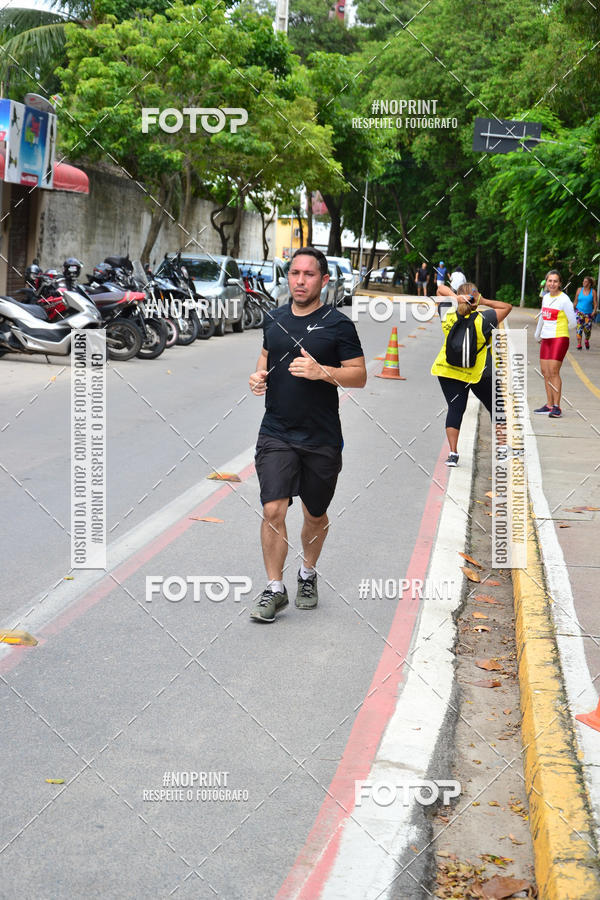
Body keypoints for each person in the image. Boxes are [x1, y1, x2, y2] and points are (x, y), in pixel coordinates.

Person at [248, 247, 366, 622]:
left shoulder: (338, 325)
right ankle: (274, 588)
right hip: (276, 431)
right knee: (273, 509)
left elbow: (359, 375)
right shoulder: (275, 317)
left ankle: (307, 574)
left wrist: (322, 372)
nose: (300, 280)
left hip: (321, 437)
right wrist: (257, 376)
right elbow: (266, 356)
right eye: (294, 273)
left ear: (324, 280)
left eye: (308, 274)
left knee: (315, 514)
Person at [432, 283, 512, 466]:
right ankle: (501, 449)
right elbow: (507, 307)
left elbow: (439, 289)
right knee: (496, 405)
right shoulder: (486, 318)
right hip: (479, 373)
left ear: (459, 297)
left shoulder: (447, 314)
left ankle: (453, 454)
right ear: (475, 299)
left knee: (455, 409)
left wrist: (454, 297)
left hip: (448, 371)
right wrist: (483, 300)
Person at [534, 269, 576, 418]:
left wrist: (560, 329)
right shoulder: (545, 298)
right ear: (546, 282)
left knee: (553, 371)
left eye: (555, 281)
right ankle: (549, 405)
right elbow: (542, 317)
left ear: (560, 283)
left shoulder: (564, 300)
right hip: (546, 338)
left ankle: (557, 407)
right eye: (550, 281)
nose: (552, 284)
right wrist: (537, 334)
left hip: (559, 338)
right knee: (545, 372)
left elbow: (573, 322)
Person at [573, 275, 597, 350]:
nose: (583, 282)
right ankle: (579, 344)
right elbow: (576, 301)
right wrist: (572, 309)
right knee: (579, 328)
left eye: (585, 281)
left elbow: (595, 303)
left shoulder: (593, 292)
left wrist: (594, 311)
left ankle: (586, 340)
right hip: (579, 312)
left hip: (588, 314)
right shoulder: (579, 290)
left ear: (589, 283)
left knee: (587, 330)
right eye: (583, 281)